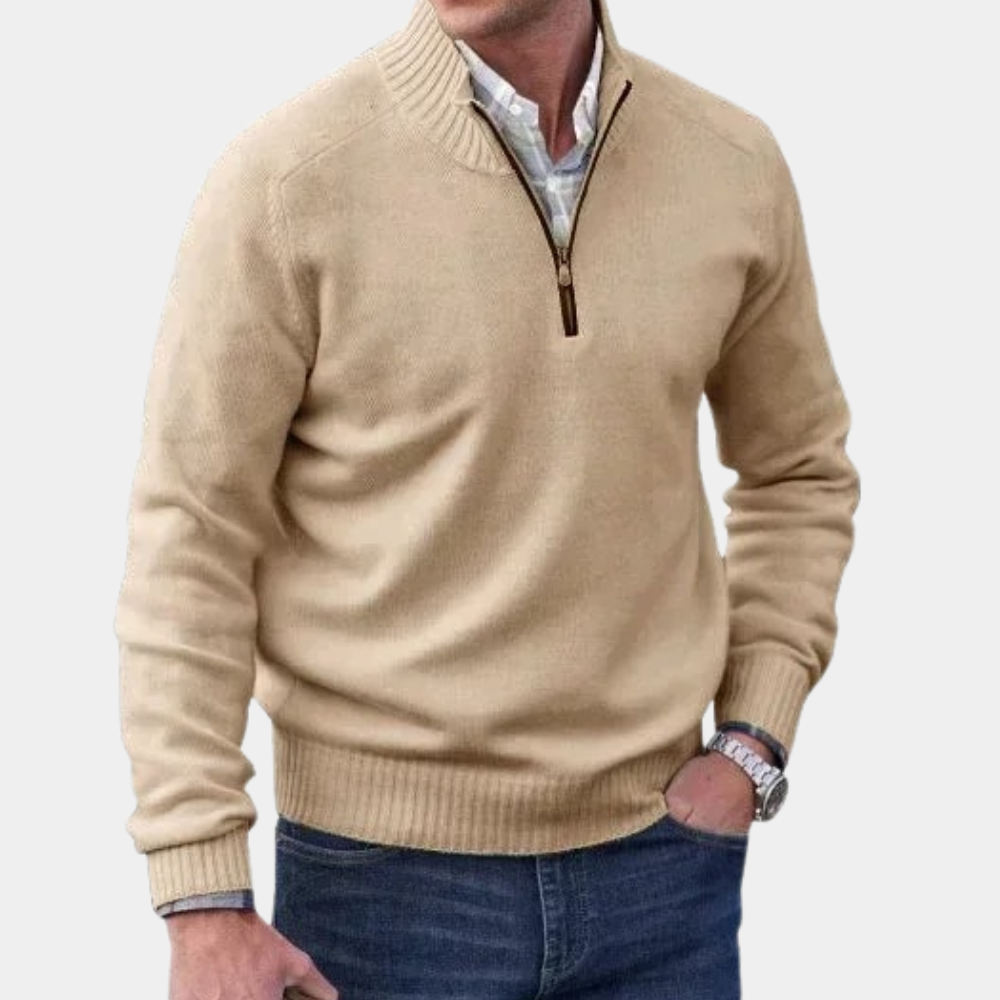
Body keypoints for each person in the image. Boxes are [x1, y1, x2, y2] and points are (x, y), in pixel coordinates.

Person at [114, 0, 860, 997]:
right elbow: (190, 535)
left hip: (663, 878)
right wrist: (200, 892)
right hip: (381, 893)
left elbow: (796, 468)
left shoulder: (730, 165)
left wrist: (753, 737)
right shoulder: (289, 182)